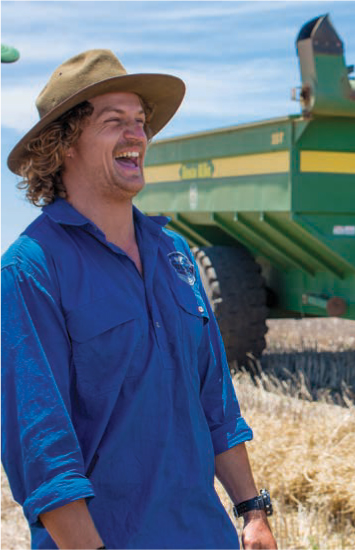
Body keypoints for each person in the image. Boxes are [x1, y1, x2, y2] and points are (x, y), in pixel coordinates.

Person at [1, 49, 277, 550]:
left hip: (205, 535)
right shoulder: (31, 269)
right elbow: (43, 452)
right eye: (115, 122)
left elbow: (214, 396)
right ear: (63, 145)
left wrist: (252, 511)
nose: (138, 136)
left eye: (140, 122)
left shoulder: (173, 253)